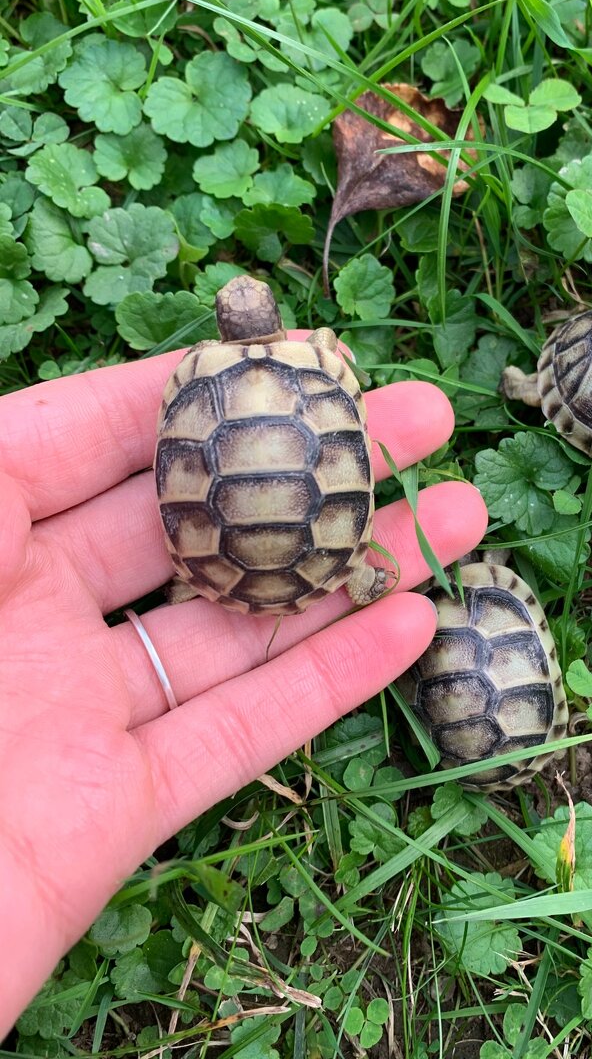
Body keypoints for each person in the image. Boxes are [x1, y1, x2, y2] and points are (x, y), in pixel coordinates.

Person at [0, 341, 487, 1034]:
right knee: (368, 573)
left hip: (219, 564)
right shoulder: (322, 367)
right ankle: (352, 574)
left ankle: (203, 587)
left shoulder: (193, 383)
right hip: (325, 553)